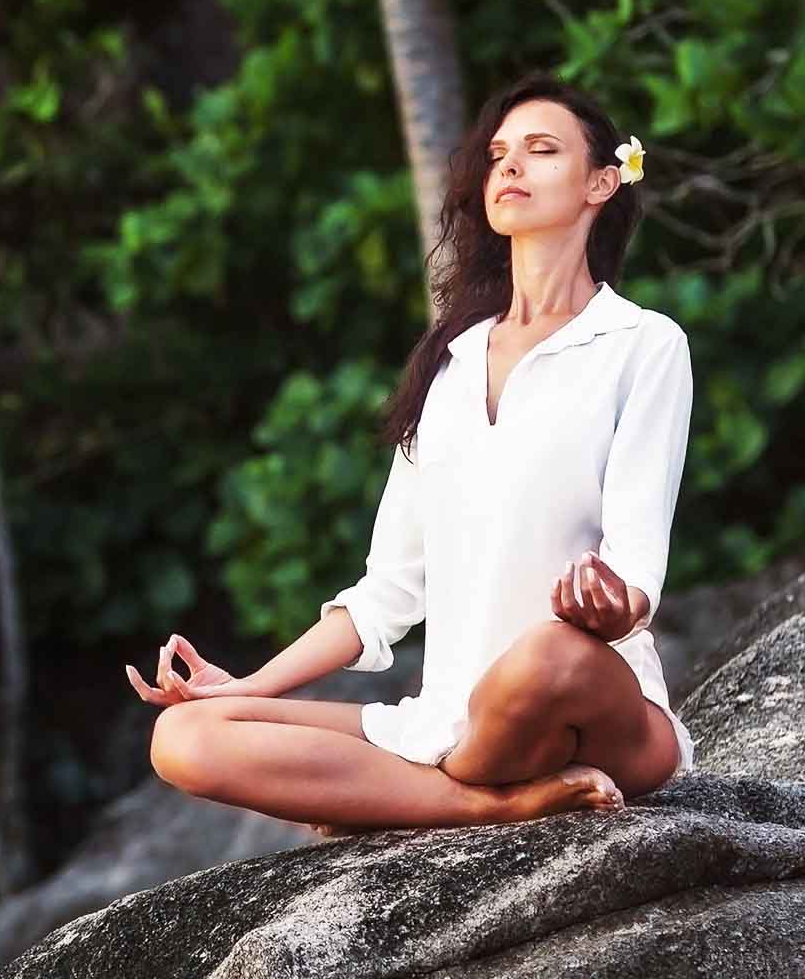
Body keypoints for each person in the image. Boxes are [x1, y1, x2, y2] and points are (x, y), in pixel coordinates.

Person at [127, 72, 695, 838]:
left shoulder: (642, 344)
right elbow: (386, 592)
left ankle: (402, 797)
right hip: (449, 727)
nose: (511, 168)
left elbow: (636, 571)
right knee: (184, 738)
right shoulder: (448, 363)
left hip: (590, 703)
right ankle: (492, 803)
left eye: (541, 150)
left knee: (546, 660)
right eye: (498, 156)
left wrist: (609, 604)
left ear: (601, 181)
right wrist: (249, 686)